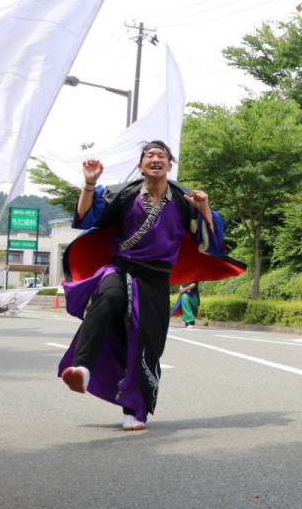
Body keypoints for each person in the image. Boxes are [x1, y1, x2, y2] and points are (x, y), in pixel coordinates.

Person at [56, 142, 243, 431]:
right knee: (106, 301)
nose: (156, 159)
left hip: (156, 279)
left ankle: (135, 408)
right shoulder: (124, 194)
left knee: (146, 345)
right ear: (141, 166)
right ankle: (82, 368)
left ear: (170, 165)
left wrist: (204, 209)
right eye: (149, 156)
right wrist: (90, 184)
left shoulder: (184, 200)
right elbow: (87, 218)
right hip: (120, 268)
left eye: (162, 156)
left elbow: (210, 243)